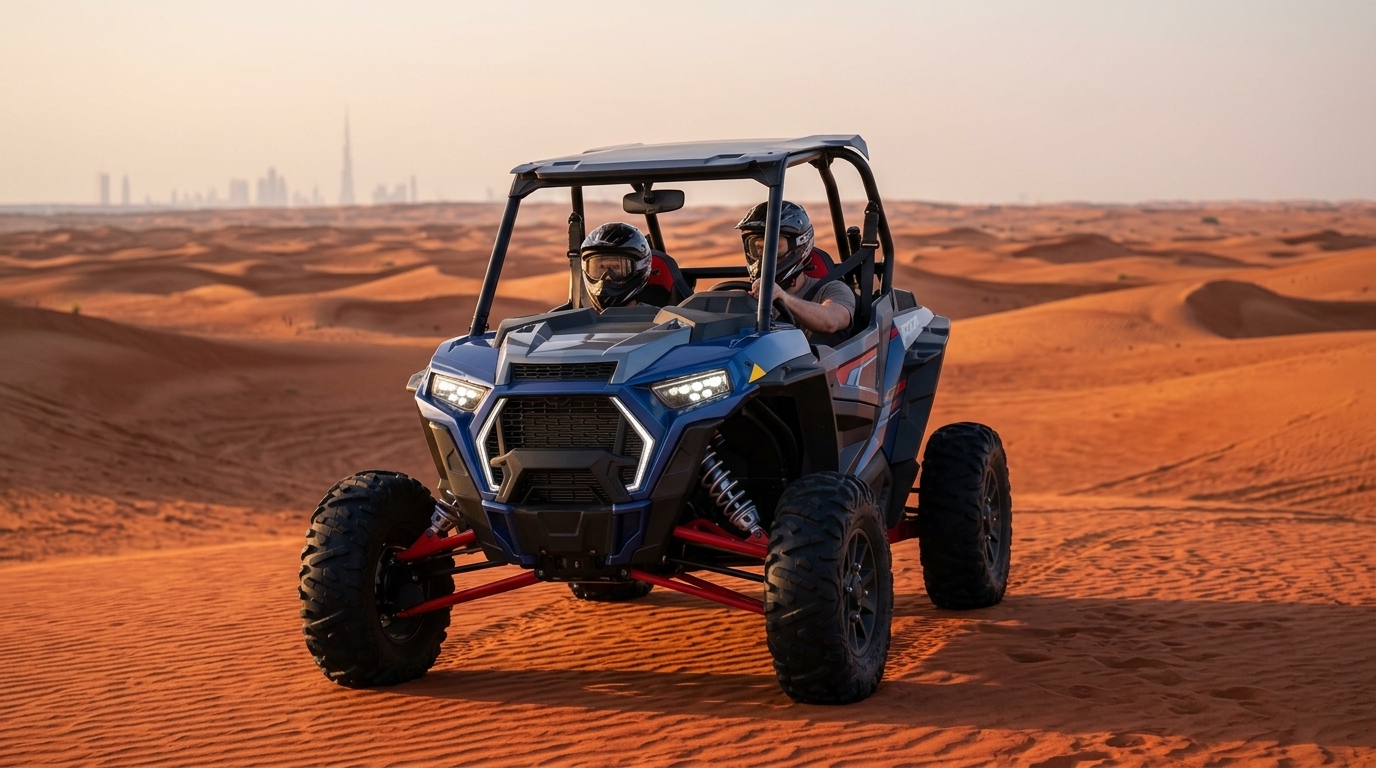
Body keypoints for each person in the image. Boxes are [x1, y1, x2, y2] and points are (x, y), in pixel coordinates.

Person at [739, 201, 854, 337]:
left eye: (776, 247)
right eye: (758, 248)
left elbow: (832, 321)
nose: (765, 256)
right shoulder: (746, 297)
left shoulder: (832, 289)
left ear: (799, 245)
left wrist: (783, 297)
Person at [578, 222, 670, 311]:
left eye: (617, 267)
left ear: (639, 268)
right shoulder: (579, 313)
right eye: (601, 268)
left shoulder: (664, 312)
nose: (608, 276)